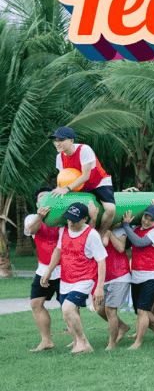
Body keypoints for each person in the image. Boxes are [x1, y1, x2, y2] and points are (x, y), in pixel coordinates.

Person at [40, 202, 106, 354]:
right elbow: (58, 251)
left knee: (68, 308)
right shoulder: (64, 230)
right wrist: (48, 271)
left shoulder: (92, 235)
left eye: (74, 220)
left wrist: (100, 287)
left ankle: (83, 342)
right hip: (66, 279)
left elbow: (101, 260)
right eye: (69, 218)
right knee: (67, 314)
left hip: (84, 279)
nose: (70, 222)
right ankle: (78, 343)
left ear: (84, 219)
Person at [49, 126, 116, 236]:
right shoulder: (59, 157)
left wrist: (67, 189)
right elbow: (62, 177)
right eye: (55, 141)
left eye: (61, 140)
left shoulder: (84, 150)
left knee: (110, 209)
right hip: (78, 187)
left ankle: (101, 234)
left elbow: (85, 176)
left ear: (71, 140)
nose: (57, 143)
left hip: (98, 183)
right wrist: (59, 188)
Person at [122, 205, 154, 348]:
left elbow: (139, 243)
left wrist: (126, 226)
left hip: (151, 275)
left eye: (151, 220)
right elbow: (127, 244)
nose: (146, 221)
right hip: (136, 275)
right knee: (140, 311)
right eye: (145, 217)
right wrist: (124, 227)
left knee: (142, 310)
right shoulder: (137, 229)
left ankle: (138, 343)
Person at [25, 186, 61, 352]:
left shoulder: (62, 217)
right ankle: (46, 341)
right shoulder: (32, 218)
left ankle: (78, 340)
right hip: (43, 270)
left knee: (68, 307)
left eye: (49, 196)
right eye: (41, 197)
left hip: (64, 270)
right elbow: (30, 230)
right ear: (37, 202)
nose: (45, 199)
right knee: (35, 304)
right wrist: (40, 217)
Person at [95, 226, 131, 350]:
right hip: (103, 277)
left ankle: (112, 344)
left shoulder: (119, 230)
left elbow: (121, 248)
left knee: (110, 310)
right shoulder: (95, 230)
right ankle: (123, 327)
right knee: (99, 309)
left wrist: (109, 234)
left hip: (120, 275)